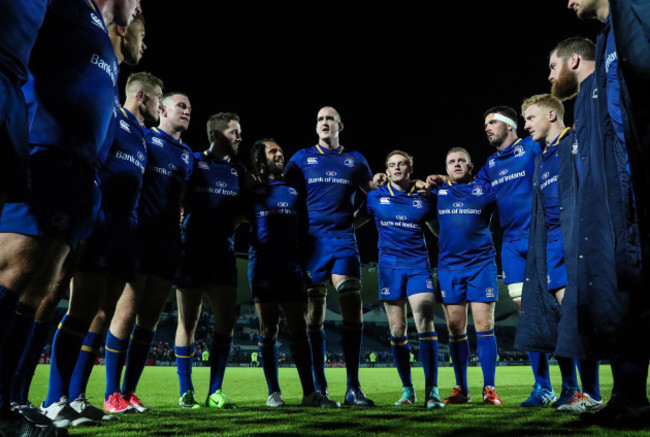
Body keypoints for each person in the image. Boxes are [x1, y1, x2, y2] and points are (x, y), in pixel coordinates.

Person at [0, 0, 140, 432]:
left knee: (34, 285)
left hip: (81, 171)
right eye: (134, 3)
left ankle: (6, 401)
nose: (136, 12)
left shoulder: (98, 34)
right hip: (46, 151)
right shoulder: (69, 6)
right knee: (11, 270)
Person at [562, 3, 649, 423]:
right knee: (626, 295)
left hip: (637, 180)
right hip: (621, 191)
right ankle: (629, 398)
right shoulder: (608, 36)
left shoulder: (638, 12)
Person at [283, 106, 386, 407]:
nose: (324, 123)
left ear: (340, 125)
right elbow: (282, 189)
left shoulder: (355, 159)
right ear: (316, 127)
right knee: (314, 316)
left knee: (352, 303)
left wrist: (380, 185)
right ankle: (320, 388)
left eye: (329, 119)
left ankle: (353, 387)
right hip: (312, 244)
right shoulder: (301, 159)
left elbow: (373, 195)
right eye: (319, 119)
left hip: (343, 241)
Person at [103, 92, 193, 414]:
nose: (187, 111)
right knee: (125, 315)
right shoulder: (144, 139)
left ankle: (129, 392)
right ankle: (111, 394)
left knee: (149, 323)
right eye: (181, 106)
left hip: (169, 243)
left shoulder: (187, 155)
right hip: (139, 235)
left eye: (190, 108)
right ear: (163, 109)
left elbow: (183, 197)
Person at [517, 93, 603, 413]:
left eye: (530, 118)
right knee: (561, 319)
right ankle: (571, 390)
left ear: (552, 115)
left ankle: (589, 393)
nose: (526, 125)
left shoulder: (576, 142)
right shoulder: (543, 157)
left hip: (575, 240)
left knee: (575, 317)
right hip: (550, 243)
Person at [245, 139, 340, 408]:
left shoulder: (295, 190)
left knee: (299, 328)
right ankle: (273, 393)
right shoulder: (252, 190)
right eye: (273, 151)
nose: (280, 154)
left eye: (281, 150)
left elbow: (306, 230)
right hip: (263, 267)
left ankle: (309, 393)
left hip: (291, 267)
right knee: (268, 329)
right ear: (260, 160)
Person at [475, 106, 558, 407]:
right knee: (529, 318)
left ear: (510, 126)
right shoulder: (489, 165)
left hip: (543, 237)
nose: (487, 127)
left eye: (492, 122)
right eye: (485, 124)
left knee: (558, 312)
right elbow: (472, 193)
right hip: (511, 247)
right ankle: (544, 387)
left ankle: (576, 386)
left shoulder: (531, 146)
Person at [357, 150, 443, 409]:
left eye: (401, 164)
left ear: (410, 169)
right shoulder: (374, 197)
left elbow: (439, 231)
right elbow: (352, 223)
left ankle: (432, 391)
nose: (396, 168)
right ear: (387, 170)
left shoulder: (423, 198)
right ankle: (408, 390)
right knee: (397, 330)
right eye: (392, 165)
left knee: (425, 321)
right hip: (389, 269)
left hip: (418, 267)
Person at [173, 112, 243, 410]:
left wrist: (225, 227)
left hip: (223, 254)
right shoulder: (193, 160)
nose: (239, 137)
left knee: (225, 321)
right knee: (188, 320)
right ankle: (186, 390)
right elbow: (178, 196)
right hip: (191, 251)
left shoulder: (239, 171)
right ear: (216, 135)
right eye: (234, 132)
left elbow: (241, 212)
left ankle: (216, 391)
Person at [429, 147, 502, 405]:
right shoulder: (437, 193)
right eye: (452, 161)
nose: (457, 164)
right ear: (446, 168)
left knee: (485, 326)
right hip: (449, 267)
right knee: (455, 329)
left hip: (481, 264)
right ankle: (461, 389)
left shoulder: (485, 190)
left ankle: (489, 388)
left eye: (462, 160)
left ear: (471, 166)